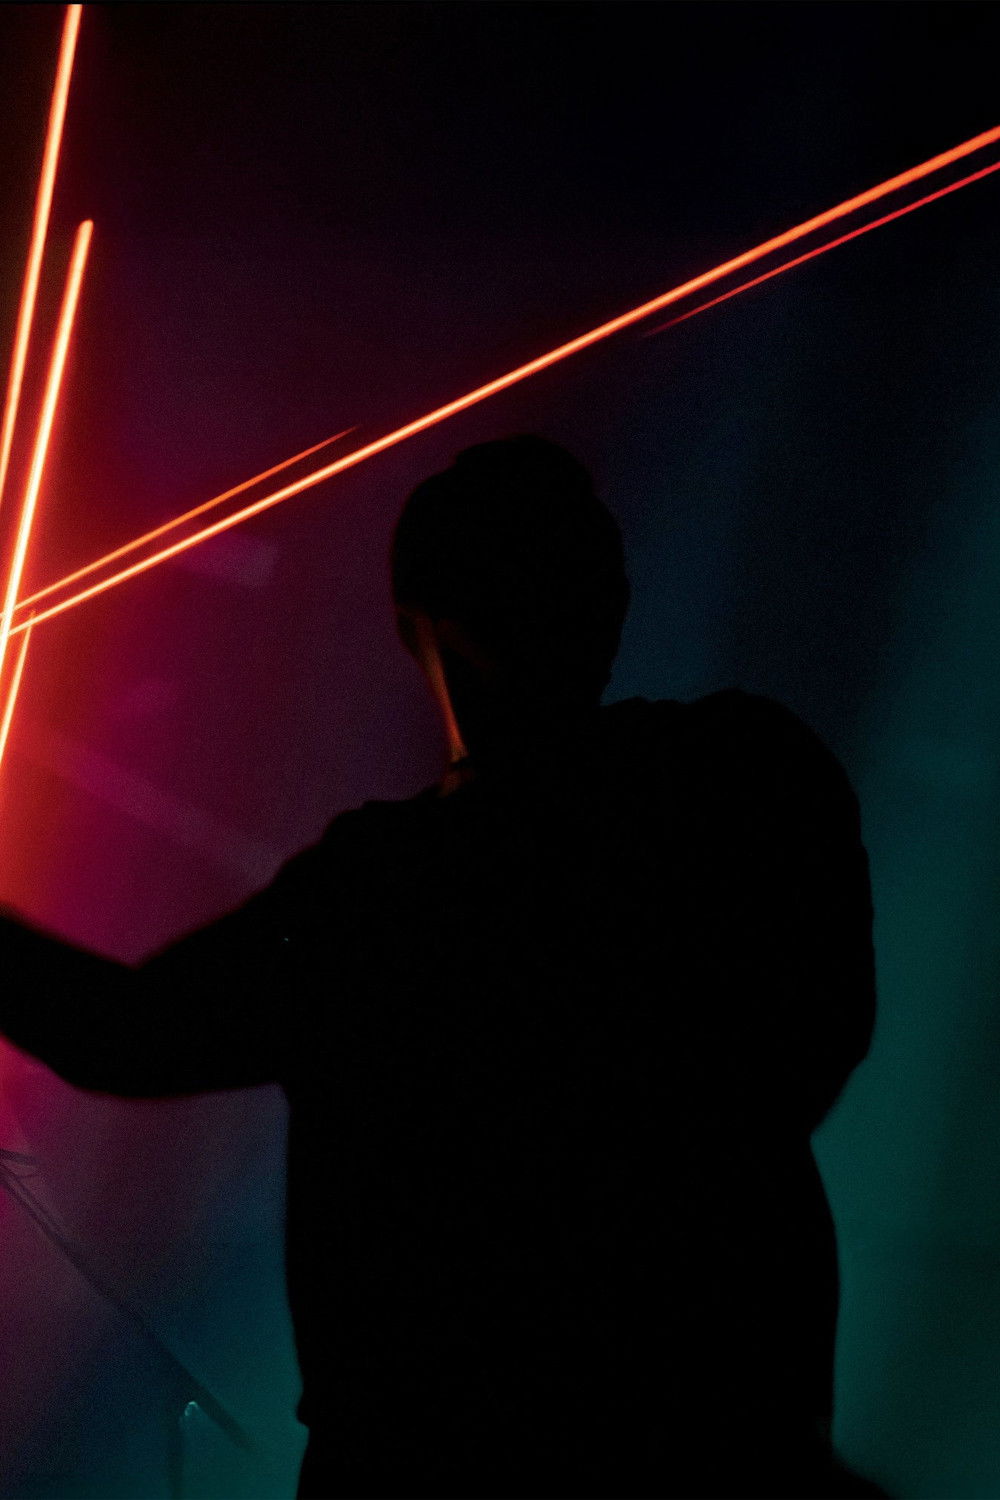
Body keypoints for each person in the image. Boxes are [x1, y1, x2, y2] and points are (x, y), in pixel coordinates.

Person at [0, 435, 885, 1499]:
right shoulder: (744, 782)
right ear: (608, 598)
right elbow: (824, 1031)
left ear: (417, 622)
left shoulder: (382, 888)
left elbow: (126, 1034)